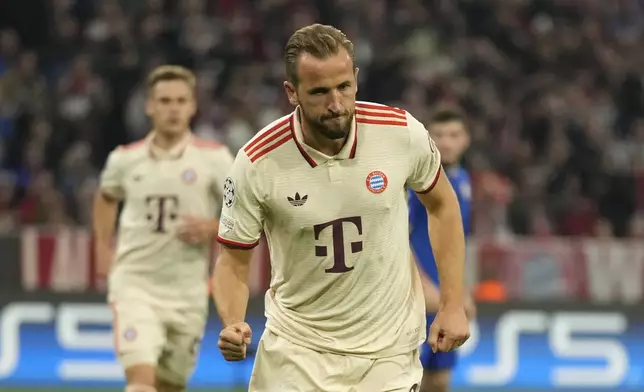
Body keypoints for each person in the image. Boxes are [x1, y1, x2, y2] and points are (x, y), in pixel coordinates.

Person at [213, 24, 470, 392]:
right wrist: (231, 320)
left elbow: (443, 205)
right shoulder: (257, 161)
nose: (336, 104)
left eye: (344, 87)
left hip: (388, 352)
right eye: (319, 92)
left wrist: (452, 303)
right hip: (296, 350)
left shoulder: (400, 133)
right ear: (291, 92)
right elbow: (234, 257)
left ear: (356, 79)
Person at [93, 65, 234, 392]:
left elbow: (244, 210)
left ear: (193, 106)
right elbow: (105, 198)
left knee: (171, 386)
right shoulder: (125, 159)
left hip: (188, 292)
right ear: (149, 106)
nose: (173, 108)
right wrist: (102, 246)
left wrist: (214, 226)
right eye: (165, 100)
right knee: (141, 383)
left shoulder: (216, 159)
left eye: (181, 100)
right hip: (135, 285)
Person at [408, 107, 476, 392]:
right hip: (418, 301)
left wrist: (462, 292)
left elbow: (460, 242)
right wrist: (423, 287)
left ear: (466, 140)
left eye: (454, 135)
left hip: (445, 300)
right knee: (409, 379)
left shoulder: (462, 181)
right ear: (428, 139)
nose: (446, 142)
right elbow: (397, 238)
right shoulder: (416, 184)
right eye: (439, 135)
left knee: (439, 381)